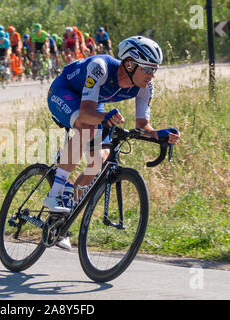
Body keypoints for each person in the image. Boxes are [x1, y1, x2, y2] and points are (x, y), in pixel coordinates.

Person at [44, 36, 181, 250]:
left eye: (155, 69)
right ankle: (55, 192)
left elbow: (142, 124)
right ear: (129, 64)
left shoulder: (145, 86)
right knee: (87, 128)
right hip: (64, 93)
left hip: (92, 101)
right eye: (147, 69)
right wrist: (105, 118)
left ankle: (61, 220)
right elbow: (87, 113)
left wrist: (157, 134)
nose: (152, 75)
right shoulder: (100, 68)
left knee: (99, 162)